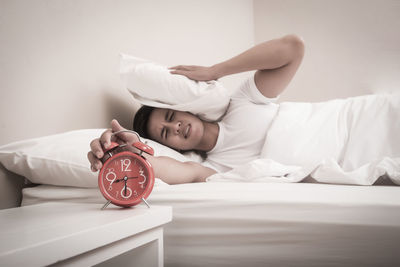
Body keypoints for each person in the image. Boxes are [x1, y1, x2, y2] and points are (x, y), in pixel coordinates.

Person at [88, 34, 305, 184]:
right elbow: (168, 168)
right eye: (165, 133)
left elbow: (293, 48)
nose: (175, 127)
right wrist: (126, 152)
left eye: (171, 116)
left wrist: (216, 71)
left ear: (186, 109)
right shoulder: (214, 167)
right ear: (175, 149)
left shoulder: (243, 101)